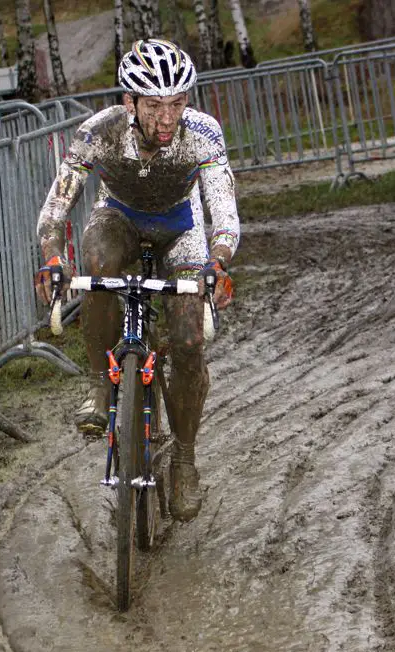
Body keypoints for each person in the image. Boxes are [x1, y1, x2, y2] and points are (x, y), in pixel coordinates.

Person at [34, 39, 240, 523]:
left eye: (177, 103)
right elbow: (56, 206)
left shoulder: (203, 134)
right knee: (98, 260)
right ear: (129, 102)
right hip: (119, 218)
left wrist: (219, 259)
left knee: (188, 342)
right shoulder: (99, 133)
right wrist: (51, 256)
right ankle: (103, 386)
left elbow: (223, 209)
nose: (168, 119)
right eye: (154, 106)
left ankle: (185, 460)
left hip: (181, 231)